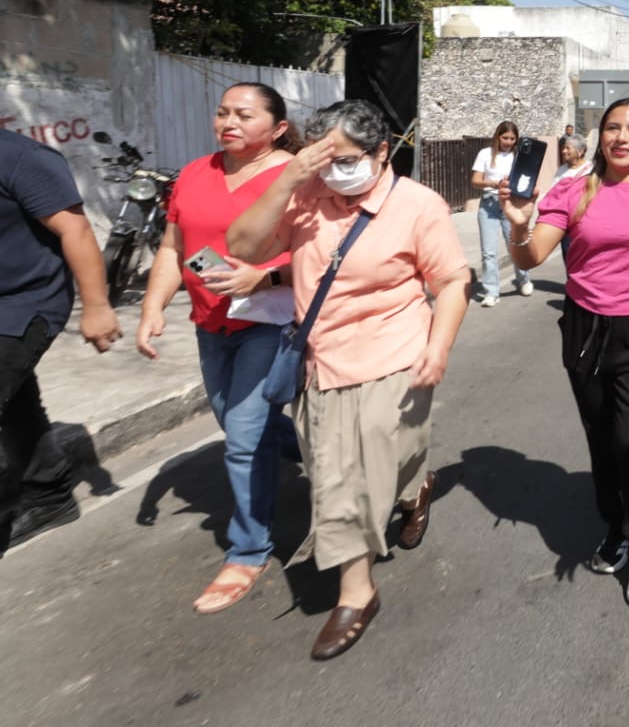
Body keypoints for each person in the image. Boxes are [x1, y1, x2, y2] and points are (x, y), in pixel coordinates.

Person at [228, 99, 470, 660]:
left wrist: (440, 347)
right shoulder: (306, 197)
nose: (335, 170)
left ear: (381, 152)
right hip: (321, 360)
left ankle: (374, 558)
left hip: (395, 353)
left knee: (366, 463)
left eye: (346, 158)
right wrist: (290, 176)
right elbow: (243, 246)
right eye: (324, 159)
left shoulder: (418, 205)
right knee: (346, 467)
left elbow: (453, 282)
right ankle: (388, 535)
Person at [499, 97, 629, 608]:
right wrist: (518, 223)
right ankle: (616, 524)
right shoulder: (573, 190)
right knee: (603, 439)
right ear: (599, 136)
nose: (621, 137)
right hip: (586, 330)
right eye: (612, 127)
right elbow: (532, 256)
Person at [134, 82, 299, 613]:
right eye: (222, 112)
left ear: (276, 129)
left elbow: (325, 252)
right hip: (210, 321)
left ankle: (249, 550)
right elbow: (172, 247)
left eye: (244, 115)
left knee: (244, 440)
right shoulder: (193, 173)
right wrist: (154, 306)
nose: (228, 121)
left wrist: (266, 276)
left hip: (267, 320)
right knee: (237, 421)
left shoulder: (294, 176)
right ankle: (324, 450)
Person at [0, 130, 121, 553]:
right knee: (15, 405)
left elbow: (76, 231)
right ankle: (48, 496)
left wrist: (97, 307)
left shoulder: (21, 157)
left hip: (25, 301)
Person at [471, 120, 532, 307]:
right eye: (505, 137)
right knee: (488, 251)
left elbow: (526, 179)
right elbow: (475, 181)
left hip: (510, 204)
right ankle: (491, 291)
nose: (508, 142)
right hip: (489, 204)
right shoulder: (485, 154)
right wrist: (493, 183)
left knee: (514, 245)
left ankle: (523, 279)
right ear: (498, 136)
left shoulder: (518, 156)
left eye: (512, 138)